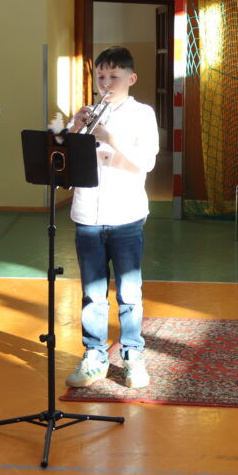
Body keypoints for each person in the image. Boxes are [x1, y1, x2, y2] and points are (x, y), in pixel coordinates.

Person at [65, 46, 158, 390]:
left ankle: (132, 354)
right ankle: (94, 354)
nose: (105, 83)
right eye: (101, 76)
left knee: (129, 292)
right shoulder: (88, 114)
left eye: (113, 77)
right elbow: (63, 158)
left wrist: (109, 137)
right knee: (93, 293)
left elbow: (146, 161)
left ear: (131, 79)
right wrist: (76, 128)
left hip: (126, 214)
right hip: (88, 213)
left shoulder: (142, 114)